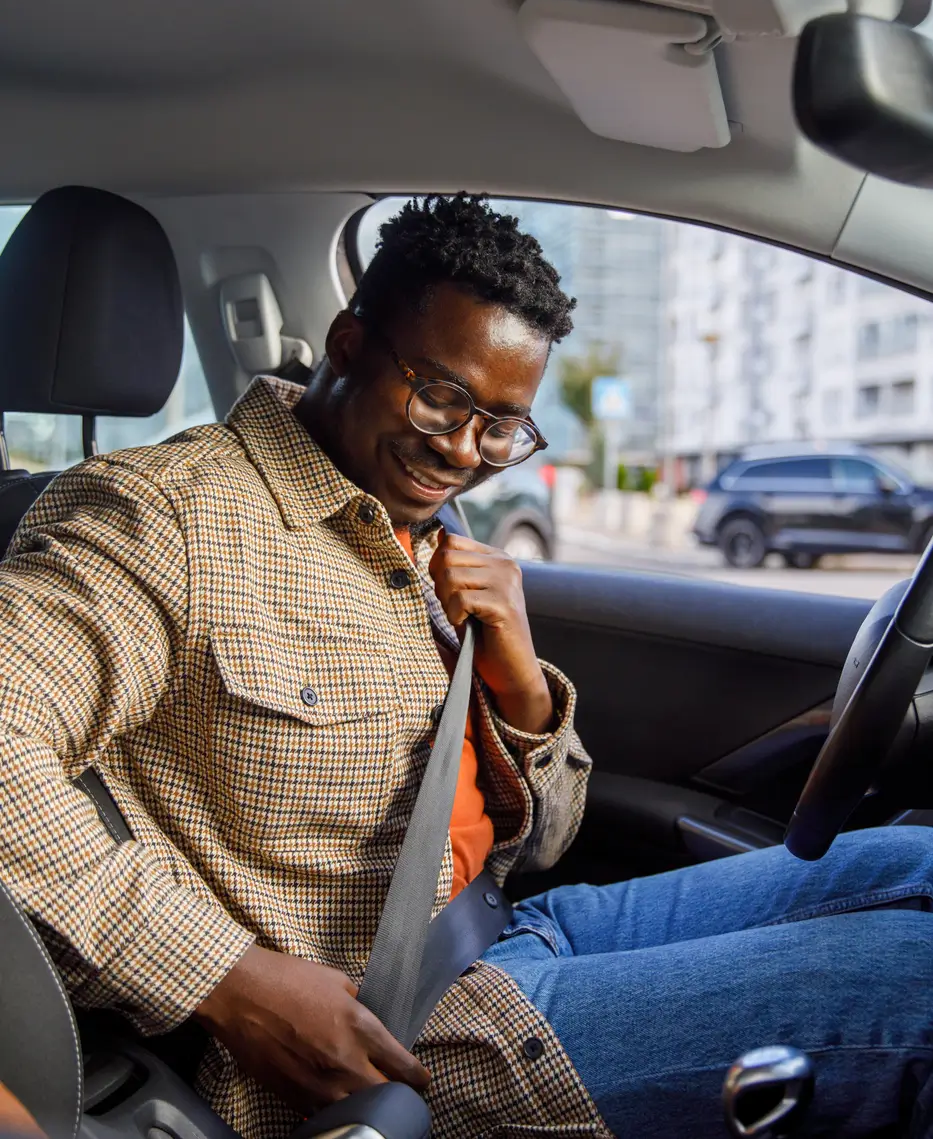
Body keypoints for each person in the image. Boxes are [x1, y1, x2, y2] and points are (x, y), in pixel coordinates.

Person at [1, 195, 933, 1139]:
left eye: (500, 425)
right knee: (914, 986)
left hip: (511, 927)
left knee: (920, 863)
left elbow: (548, 840)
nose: (460, 449)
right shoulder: (164, 519)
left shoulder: (414, 525)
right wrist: (221, 976)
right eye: (440, 397)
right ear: (348, 342)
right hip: (390, 1035)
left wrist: (521, 685)